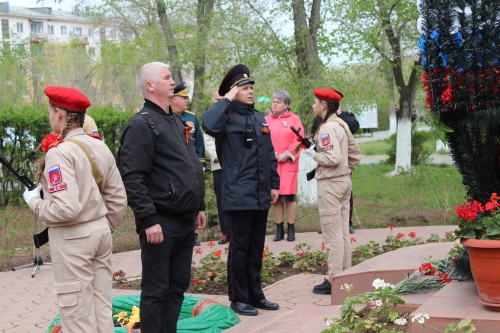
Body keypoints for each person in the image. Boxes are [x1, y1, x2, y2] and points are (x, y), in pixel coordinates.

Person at [23, 86, 127, 332]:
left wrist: (34, 201)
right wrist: (102, 226)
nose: (49, 116)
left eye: (50, 111)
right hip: (101, 232)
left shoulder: (60, 153)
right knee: (101, 309)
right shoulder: (99, 146)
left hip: (74, 239)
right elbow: (118, 198)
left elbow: (66, 209)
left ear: (59, 113)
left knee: (78, 317)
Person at [117, 62, 206, 332]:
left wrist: (199, 205)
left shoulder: (176, 120)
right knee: (156, 290)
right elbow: (132, 177)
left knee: (177, 286)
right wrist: (147, 219)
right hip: (160, 223)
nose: (173, 82)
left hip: (184, 219)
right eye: (166, 77)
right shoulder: (141, 125)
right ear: (150, 86)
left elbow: (190, 165)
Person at [203, 64, 280, 316]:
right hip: (237, 193)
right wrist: (225, 99)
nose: (250, 92)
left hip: (260, 193)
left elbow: (269, 154)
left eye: (250, 88)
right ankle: (238, 298)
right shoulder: (224, 117)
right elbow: (209, 125)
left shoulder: (259, 118)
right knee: (239, 248)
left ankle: (256, 294)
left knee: (256, 247)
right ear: (233, 92)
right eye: (244, 88)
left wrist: (274, 184)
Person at [304, 88, 360, 295]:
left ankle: (334, 278)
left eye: (315, 102)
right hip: (344, 182)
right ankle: (345, 274)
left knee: (332, 233)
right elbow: (354, 153)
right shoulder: (341, 123)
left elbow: (333, 158)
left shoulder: (327, 128)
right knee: (343, 231)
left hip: (330, 185)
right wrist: (346, 172)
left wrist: (314, 155)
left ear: (324, 105)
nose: (313, 105)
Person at [265, 89, 304, 242]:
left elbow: (299, 139)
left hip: (288, 164)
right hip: (273, 164)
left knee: (289, 197)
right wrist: (271, 154)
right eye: (273, 101)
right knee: (276, 196)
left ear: (286, 104)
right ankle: (279, 229)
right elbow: (263, 139)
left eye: (278, 102)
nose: (274, 104)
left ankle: (291, 228)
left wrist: (287, 154)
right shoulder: (266, 120)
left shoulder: (294, 119)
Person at [172, 82, 205, 246]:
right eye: (183, 98)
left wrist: (201, 162)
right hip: (177, 168)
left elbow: (199, 141)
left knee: (195, 197)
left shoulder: (191, 117)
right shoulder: (168, 117)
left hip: (193, 166)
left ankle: (194, 233)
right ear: (174, 98)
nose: (186, 101)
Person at [204, 91, 230, 245]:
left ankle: (235, 231)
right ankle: (225, 232)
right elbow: (208, 139)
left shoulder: (234, 113)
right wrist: (217, 155)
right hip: (219, 165)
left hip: (235, 167)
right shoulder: (212, 115)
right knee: (222, 200)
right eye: (218, 100)